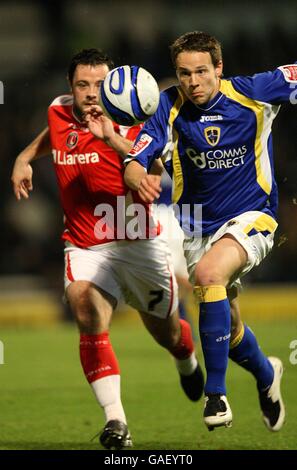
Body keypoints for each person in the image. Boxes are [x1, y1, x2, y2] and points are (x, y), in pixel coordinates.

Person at [11, 48, 205, 449]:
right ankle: (116, 422)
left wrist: (113, 140)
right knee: (85, 307)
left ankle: (186, 361)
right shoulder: (59, 111)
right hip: (85, 245)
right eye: (82, 84)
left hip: (138, 244)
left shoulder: (134, 119)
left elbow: (154, 170)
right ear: (71, 87)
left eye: (99, 84)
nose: (91, 93)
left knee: (168, 334)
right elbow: (56, 133)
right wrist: (26, 156)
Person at [124, 31, 289, 432]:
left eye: (201, 71)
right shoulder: (168, 105)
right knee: (228, 329)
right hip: (198, 227)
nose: (193, 81)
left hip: (254, 216)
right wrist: (136, 175)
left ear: (219, 68)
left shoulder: (254, 92)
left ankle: (216, 397)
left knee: (208, 276)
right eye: (184, 73)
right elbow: (135, 157)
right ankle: (267, 374)